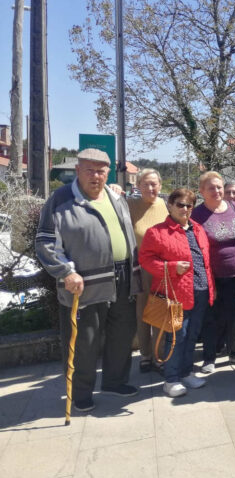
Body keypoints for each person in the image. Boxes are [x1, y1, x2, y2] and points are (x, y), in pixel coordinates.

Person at [35, 148, 141, 412]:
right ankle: (80, 394)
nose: (96, 176)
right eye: (90, 170)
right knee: (84, 340)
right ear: (78, 170)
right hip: (84, 281)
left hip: (123, 277)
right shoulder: (60, 199)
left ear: (108, 173)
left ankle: (115, 382)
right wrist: (65, 271)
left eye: (101, 170)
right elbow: (45, 242)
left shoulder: (115, 196)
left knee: (122, 333)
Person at [139, 188, 215, 398]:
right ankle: (171, 379)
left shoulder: (198, 229)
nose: (184, 209)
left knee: (192, 336)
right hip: (175, 295)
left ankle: (186, 372)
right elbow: (145, 259)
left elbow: (205, 263)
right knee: (175, 337)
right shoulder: (157, 232)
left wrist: (211, 289)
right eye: (180, 204)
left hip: (200, 291)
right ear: (170, 205)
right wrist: (171, 267)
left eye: (189, 205)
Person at [192, 171, 235, 373]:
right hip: (210, 276)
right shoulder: (197, 215)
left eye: (219, 187)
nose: (216, 191)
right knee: (211, 317)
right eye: (211, 188)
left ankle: (234, 350)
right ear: (202, 191)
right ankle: (209, 357)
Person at [127, 168, 169, 373]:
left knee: (161, 312)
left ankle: (159, 356)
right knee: (143, 312)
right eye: (146, 184)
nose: (150, 188)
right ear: (138, 186)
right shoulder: (131, 204)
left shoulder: (166, 205)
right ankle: (145, 355)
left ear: (160, 186)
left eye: (154, 184)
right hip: (142, 268)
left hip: (163, 269)